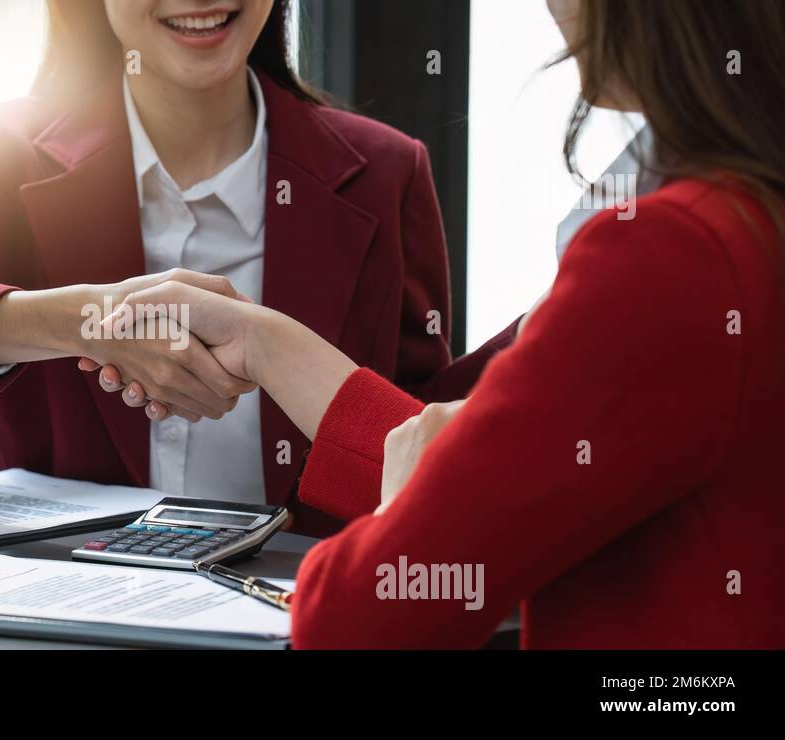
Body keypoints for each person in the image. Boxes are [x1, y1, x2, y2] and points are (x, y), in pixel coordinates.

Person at [100, 0, 785, 647]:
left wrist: (403, 512)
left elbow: (363, 617)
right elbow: (497, 471)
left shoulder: (663, 255)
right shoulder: (743, 220)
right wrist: (266, 343)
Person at [0, 0, 498, 533]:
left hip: (298, 626)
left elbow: (411, 446)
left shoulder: (383, 173)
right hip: (59, 627)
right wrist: (80, 321)